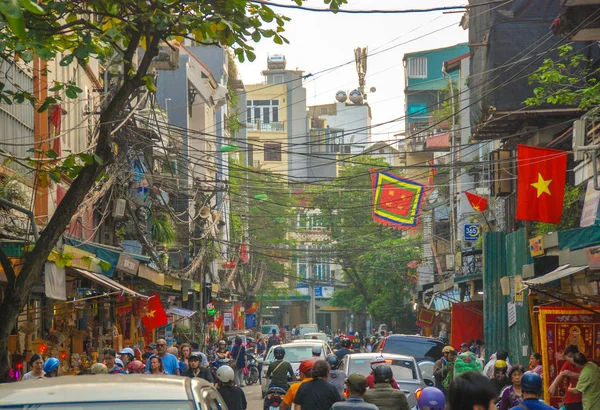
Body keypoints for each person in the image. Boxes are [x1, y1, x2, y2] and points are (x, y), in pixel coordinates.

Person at [549, 345, 582, 410]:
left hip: (582, 399)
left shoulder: (585, 364)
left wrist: (571, 374)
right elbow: (561, 374)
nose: (568, 359)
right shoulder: (568, 363)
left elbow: (585, 377)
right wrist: (554, 384)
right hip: (571, 400)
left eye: (570, 357)